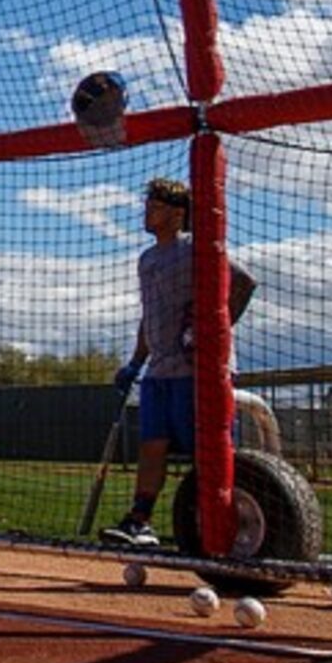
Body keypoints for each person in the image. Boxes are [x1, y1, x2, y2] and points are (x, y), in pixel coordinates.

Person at [100, 176, 258, 550]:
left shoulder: (197, 247)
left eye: (154, 206)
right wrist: (136, 362)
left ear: (176, 213)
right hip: (159, 371)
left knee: (205, 449)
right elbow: (149, 314)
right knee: (152, 443)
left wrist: (213, 332)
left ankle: (219, 520)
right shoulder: (147, 258)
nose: (146, 212)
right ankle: (140, 522)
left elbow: (244, 283)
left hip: (197, 369)